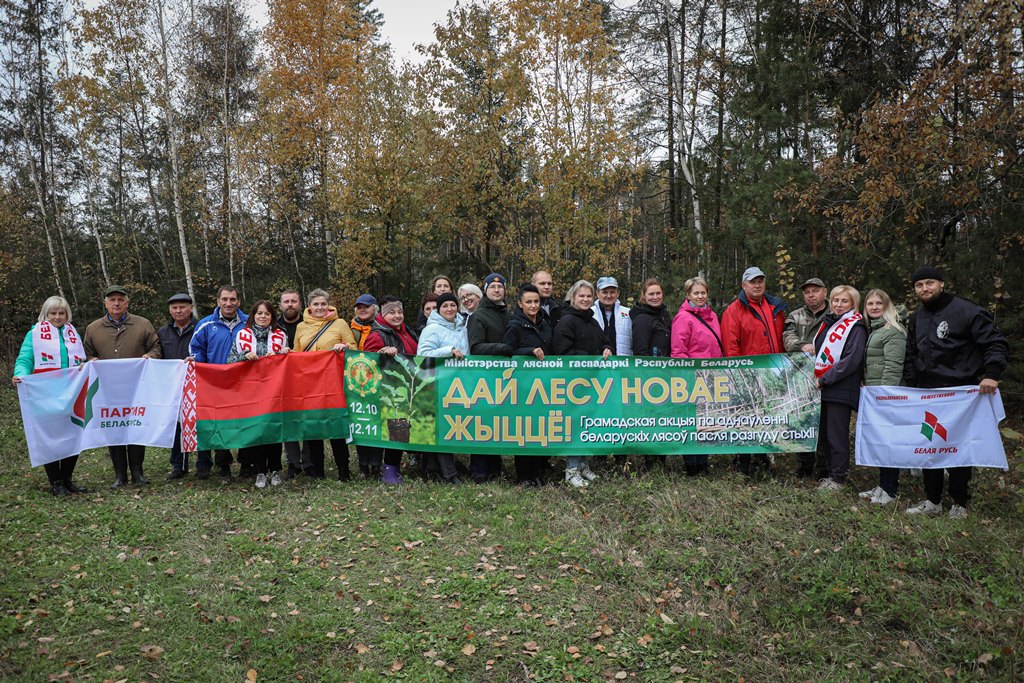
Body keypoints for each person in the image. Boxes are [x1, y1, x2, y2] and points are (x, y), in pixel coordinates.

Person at [902, 267, 1008, 519]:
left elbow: (995, 342)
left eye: (930, 283)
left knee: (957, 446)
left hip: (960, 393)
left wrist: (992, 374)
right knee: (929, 443)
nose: (924, 289)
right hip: (927, 393)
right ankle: (933, 500)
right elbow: (911, 354)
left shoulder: (966, 310)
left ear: (941, 284)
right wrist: (911, 385)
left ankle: (960, 502)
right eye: (919, 285)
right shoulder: (917, 317)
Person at [83, 285, 162, 488]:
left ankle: (138, 472)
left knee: (136, 426)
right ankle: (120, 474)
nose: (116, 303)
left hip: (137, 387)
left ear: (127, 302)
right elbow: (86, 353)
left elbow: (156, 347)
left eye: (120, 299)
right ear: (105, 304)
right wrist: (92, 360)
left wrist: (149, 356)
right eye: (112, 300)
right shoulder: (93, 328)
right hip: (107, 390)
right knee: (114, 428)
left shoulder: (142, 324)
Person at [13, 296, 89, 496]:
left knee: (73, 435)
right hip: (45, 393)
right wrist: (20, 374)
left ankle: (67, 480)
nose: (57, 317)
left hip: (71, 393)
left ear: (67, 315)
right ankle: (56, 483)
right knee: (49, 437)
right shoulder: (34, 334)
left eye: (61, 313)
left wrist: (84, 364)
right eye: (53, 313)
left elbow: (81, 359)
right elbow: (25, 358)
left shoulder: (73, 334)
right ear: (45, 315)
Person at [720, 267, 787, 475]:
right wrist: (740, 375)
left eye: (760, 281)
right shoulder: (734, 310)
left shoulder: (775, 307)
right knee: (747, 418)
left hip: (773, 371)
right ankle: (743, 462)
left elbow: (783, 338)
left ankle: (764, 458)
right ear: (744, 285)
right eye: (752, 282)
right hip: (748, 374)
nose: (757, 285)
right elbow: (731, 346)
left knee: (768, 416)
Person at [552, 280, 613, 487]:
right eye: (582, 296)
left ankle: (582, 465)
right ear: (573, 298)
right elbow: (562, 351)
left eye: (589, 296)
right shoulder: (566, 321)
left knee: (587, 424)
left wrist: (606, 349)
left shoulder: (592, 321)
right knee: (575, 424)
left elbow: (604, 340)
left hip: (592, 383)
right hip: (573, 383)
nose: (586, 300)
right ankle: (571, 468)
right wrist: (589, 357)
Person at [294, 288, 356, 480]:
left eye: (323, 304)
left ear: (328, 305)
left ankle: (343, 470)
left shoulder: (339, 323)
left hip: (333, 382)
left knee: (336, 424)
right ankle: (317, 470)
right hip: (309, 384)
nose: (320, 307)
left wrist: (344, 346)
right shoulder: (301, 327)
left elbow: (354, 347)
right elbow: (297, 355)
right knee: (313, 426)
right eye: (316, 304)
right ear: (309, 307)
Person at [227, 300, 290, 488]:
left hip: (274, 391)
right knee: (257, 431)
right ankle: (260, 471)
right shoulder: (242, 335)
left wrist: (285, 353)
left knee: (274, 430)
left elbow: (288, 363)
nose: (263, 316)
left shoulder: (280, 335)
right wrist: (243, 356)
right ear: (253, 315)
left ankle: (276, 469)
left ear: (272, 317)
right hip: (251, 392)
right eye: (259, 313)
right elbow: (229, 360)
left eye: (267, 314)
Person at [812, 285, 867, 491]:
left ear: (853, 304)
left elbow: (851, 361)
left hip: (841, 387)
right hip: (825, 387)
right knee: (825, 434)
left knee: (837, 434)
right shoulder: (830, 323)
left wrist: (826, 379)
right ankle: (828, 473)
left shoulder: (856, 327)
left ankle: (838, 478)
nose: (838, 304)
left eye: (844, 301)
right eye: (836, 300)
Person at [190, 285, 248, 479]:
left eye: (232, 299)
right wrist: (198, 363)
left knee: (245, 422)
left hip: (245, 383)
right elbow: (196, 348)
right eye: (225, 299)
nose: (228, 303)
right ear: (218, 301)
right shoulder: (206, 324)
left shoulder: (249, 322)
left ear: (239, 301)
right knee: (219, 424)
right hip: (216, 383)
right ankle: (223, 465)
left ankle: (247, 463)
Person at [857, 289, 907, 506]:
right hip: (874, 394)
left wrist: (885, 396)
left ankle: (890, 490)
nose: (874, 307)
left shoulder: (893, 331)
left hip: (886, 397)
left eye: (879, 303)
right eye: (870, 304)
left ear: (887, 306)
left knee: (889, 443)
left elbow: (893, 367)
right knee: (881, 442)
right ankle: (882, 485)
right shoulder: (874, 329)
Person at [670, 277, 723, 475]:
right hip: (692, 378)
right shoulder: (683, 318)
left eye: (703, 292)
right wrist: (686, 377)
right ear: (688, 295)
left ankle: (703, 462)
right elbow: (678, 350)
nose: (700, 296)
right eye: (696, 293)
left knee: (707, 419)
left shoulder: (713, 316)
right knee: (691, 421)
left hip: (711, 376)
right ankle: (691, 464)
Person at [363, 297, 419, 485]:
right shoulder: (377, 335)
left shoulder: (406, 331)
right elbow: (367, 361)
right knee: (398, 428)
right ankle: (389, 470)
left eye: (399, 312)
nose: (397, 316)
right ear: (382, 314)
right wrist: (381, 352)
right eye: (392, 312)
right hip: (389, 389)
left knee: (405, 428)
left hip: (408, 386)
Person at [503, 284, 553, 486]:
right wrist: (529, 351)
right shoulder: (514, 326)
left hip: (544, 385)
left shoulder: (545, 323)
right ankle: (524, 476)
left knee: (541, 429)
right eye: (529, 302)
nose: (533, 305)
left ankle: (538, 472)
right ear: (520, 304)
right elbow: (507, 351)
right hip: (522, 386)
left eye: (536, 301)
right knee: (524, 431)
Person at [416, 292, 467, 484]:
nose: (450, 309)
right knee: (442, 427)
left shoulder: (462, 327)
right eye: (445, 306)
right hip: (438, 383)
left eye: (453, 305)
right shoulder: (432, 329)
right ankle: (449, 474)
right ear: (439, 309)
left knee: (453, 426)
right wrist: (449, 351)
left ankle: (436, 469)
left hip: (459, 384)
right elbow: (423, 354)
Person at [467, 273, 513, 483]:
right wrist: (500, 349)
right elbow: (475, 347)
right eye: (492, 287)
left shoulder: (508, 314)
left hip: (506, 378)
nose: (497, 290)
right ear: (485, 290)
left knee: (499, 423)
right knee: (483, 422)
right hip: (484, 377)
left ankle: (495, 466)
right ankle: (479, 470)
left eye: (500, 287)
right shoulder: (479, 315)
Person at [782, 278, 831, 477]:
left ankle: (824, 468)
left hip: (828, 377)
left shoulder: (835, 314)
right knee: (802, 419)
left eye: (815, 291)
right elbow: (787, 337)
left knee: (826, 424)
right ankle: (804, 465)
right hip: (801, 377)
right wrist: (801, 345)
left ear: (825, 292)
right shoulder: (795, 316)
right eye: (807, 292)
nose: (811, 295)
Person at [157, 293, 196, 480]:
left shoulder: (200, 328)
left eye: (182, 307)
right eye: (174, 308)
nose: (178, 311)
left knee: (199, 423)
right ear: (170, 310)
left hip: (197, 384)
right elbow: (157, 353)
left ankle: (203, 464)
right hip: (171, 386)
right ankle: (178, 465)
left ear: (191, 308)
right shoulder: (163, 332)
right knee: (176, 426)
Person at [277, 288, 312, 479]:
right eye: (286, 301)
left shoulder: (309, 325)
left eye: (294, 301)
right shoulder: (274, 326)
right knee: (287, 421)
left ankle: (308, 461)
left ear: (300, 304)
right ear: (281, 305)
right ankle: (293, 463)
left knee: (307, 419)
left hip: (306, 379)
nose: (290, 304)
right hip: (283, 381)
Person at [349, 293, 381, 478]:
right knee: (361, 422)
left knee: (376, 421)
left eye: (366, 306)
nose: (362, 309)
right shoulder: (350, 328)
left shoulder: (381, 327)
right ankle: (363, 466)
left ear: (374, 308)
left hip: (378, 380)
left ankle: (376, 464)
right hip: (357, 380)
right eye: (359, 306)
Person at [592, 276, 633, 356]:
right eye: (604, 292)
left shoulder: (628, 314)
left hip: (623, 365)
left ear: (618, 293)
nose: (609, 296)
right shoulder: (590, 314)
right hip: (596, 365)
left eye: (612, 292)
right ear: (597, 293)